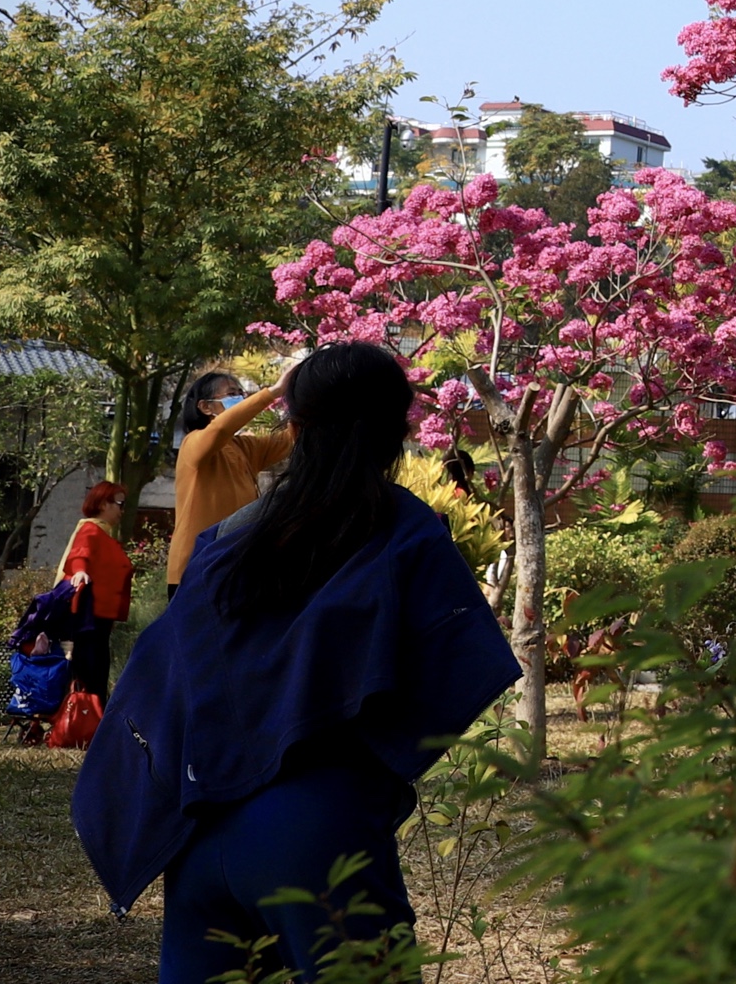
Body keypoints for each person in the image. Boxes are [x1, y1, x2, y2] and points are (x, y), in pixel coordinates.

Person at [74, 340, 518, 983]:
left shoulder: (226, 541)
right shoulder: (402, 528)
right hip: (321, 830)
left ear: (297, 426)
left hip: (198, 838)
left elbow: (160, 673)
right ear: (400, 428)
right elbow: (459, 667)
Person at [165, 370, 290, 596]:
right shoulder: (193, 443)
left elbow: (289, 438)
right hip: (195, 567)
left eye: (241, 393)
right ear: (206, 407)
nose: (241, 399)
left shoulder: (242, 447)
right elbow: (221, 428)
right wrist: (274, 392)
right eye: (232, 394)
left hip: (233, 563)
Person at [57, 480, 133, 704]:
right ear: (102, 504)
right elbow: (80, 553)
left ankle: (92, 717)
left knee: (95, 665)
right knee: (91, 667)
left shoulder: (104, 534)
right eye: (119, 503)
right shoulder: (91, 529)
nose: (122, 509)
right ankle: (87, 718)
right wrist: (80, 571)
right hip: (91, 615)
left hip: (100, 616)